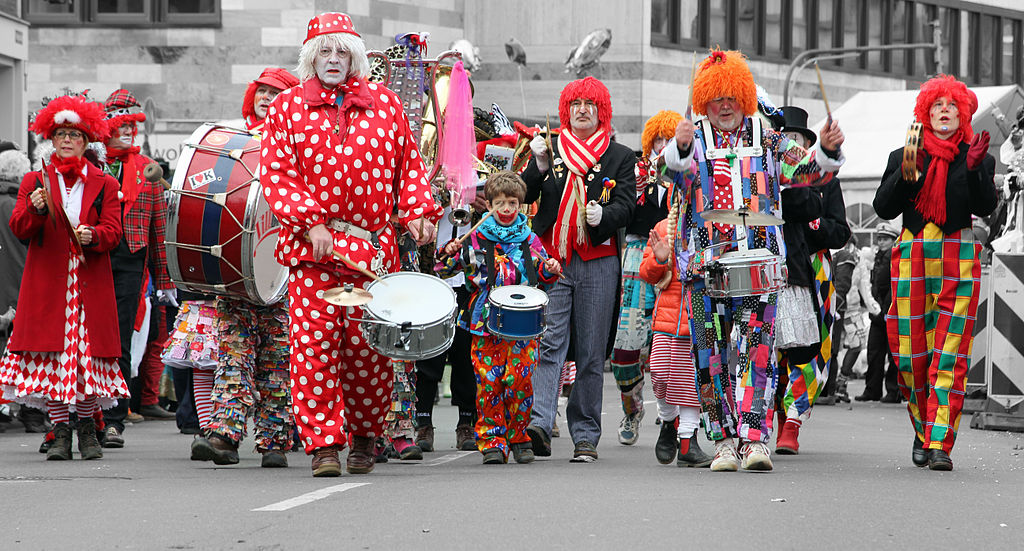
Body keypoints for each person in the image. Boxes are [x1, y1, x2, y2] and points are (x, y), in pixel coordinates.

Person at [260, 12, 441, 477]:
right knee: (313, 350)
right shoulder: (286, 109)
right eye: (325, 50)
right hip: (312, 253)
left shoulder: (385, 104)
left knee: (368, 353)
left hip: (370, 253)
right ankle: (324, 447)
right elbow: (277, 174)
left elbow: (408, 166)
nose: (333, 58)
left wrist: (418, 212)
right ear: (311, 56)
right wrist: (311, 223)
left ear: (355, 57)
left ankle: (364, 438)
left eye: (342, 51)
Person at [664, 50, 845, 472]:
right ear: (704, 100)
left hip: (760, 263)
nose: (725, 105)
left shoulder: (768, 137)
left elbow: (806, 171)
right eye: (716, 98)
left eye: (732, 96)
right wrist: (681, 148)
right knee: (709, 356)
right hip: (704, 266)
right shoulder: (694, 138)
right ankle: (724, 441)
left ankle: (754, 439)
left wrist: (825, 151)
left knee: (757, 352)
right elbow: (669, 176)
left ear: (744, 97)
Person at [874, 75, 997, 471]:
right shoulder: (903, 154)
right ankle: (924, 425)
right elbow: (883, 208)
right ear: (925, 113)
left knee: (950, 352)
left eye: (952, 104)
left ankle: (940, 441)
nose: (945, 110)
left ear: (963, 113)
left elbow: (986, 206)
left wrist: (975, 170)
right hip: (912, 256)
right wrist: (904, 172)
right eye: (937, 105)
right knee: (910, 356)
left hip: (957, 256)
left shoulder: (976, 156)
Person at [0, 93, 126, 460]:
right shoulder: (34, 180)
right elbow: (19, 228)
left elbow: (114, 232)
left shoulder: (105, 183)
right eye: (61, 134)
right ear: (51, 139)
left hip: (88, 285)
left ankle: (87, 430)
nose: (67, 140)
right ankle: (60, 433)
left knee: (86, 360)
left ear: (86, 142)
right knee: (51, 360)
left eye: (74, 134)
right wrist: (35, 210)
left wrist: (94, 236)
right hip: (47, 285)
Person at [521, 76, 636, 462]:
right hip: (553, 260)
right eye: (575, 104)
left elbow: (627, 207)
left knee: (590, 350)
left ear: (602, 112)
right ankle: (539, 422)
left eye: (590, 104)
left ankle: (585, 434)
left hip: (597, 260)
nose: (582, 110)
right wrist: (537, 167)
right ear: (566, 111)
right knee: (548, 343)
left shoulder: (620, 156)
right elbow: (524, 195)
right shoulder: (550, 149)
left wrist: (605, 216)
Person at [189, 67, 298, 468]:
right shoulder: (235, 140)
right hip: (235, 267)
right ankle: (224, 435)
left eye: (276, 92)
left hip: (282, 270)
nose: (267, 98)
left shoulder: (298, 143)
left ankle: (275, 441)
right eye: (262, 91)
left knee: (277, 360)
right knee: (233, 356)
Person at [436, 171, 561, 464]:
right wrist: (448, 252)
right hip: (485, 322)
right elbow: (444, 269)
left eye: (512, 203)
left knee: (520, 380)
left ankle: (518, 437)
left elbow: (542, 276)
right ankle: (492, 440)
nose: (506, 209)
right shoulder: (475, 237)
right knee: (488, 382)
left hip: (523, 324)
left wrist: (551, 269)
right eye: (500, 203)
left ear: (520, 205)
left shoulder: (530, 239)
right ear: (489, 205)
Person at [100, 88, 176, 447]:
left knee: (121, 338)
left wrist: (165, 281)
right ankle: (81, 417)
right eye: (123, 124)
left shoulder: (148, 169)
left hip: (130, 261)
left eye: (134, 125)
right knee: (86, 338)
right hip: (94, 256)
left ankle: (115, 418)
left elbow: (159, 230)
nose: (130, 130)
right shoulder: (93, 163)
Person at [774, 106, 851, 455]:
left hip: (813, 270)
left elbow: (840, 230)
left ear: (808, 144)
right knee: (768, 351)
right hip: (772, 265)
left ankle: (793, 420)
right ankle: (773, 418)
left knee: (809, 348)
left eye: (797, 139)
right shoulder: (764, 174)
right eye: (785, 138)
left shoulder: (826, 179)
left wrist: (813, 226)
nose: (791, 144)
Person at [610, 110, 677, 445]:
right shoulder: (635, 172)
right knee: (625, 351)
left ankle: (674, 417)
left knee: (674, 348)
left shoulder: (687, 173)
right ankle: (632, 408)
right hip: (637, 257)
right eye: (658, 139)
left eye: (669, 139)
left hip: (676, 256)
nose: (663, 145)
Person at [638, 183, 712, 467]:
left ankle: (688, 440)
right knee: (659, 374)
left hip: (701, 314)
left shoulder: (715, 228)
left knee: (691, 380)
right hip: (667, 317)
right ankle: (668, 422)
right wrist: (659, 259)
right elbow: (647, 274)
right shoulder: (662, 227)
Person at [855, 223, 901, 403]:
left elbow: (892, 287)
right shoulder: (881, 257)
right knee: (875, 352)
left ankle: (892, 391)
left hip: (889, 311)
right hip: (879, 312)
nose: (881, 242)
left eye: (885, 239)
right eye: (879, 239)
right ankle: (874, 389)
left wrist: (886, 309)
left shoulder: (894, 257)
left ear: (893, 240)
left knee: (892, 353)